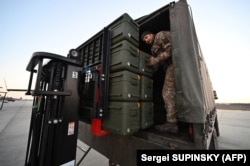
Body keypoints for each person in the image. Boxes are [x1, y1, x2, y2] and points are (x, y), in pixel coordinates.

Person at [141, 31, 178, 134]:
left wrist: (156, 60)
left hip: (174, 63)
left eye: (147, 37)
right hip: (168, 66)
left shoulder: (160, 35)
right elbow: (158, 64)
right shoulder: (153, 49)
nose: (147, 40)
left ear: (151, 34)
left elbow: (170, 50)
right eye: (145, 40)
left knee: (167, 92)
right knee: (169, 93)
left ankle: (172, 123)